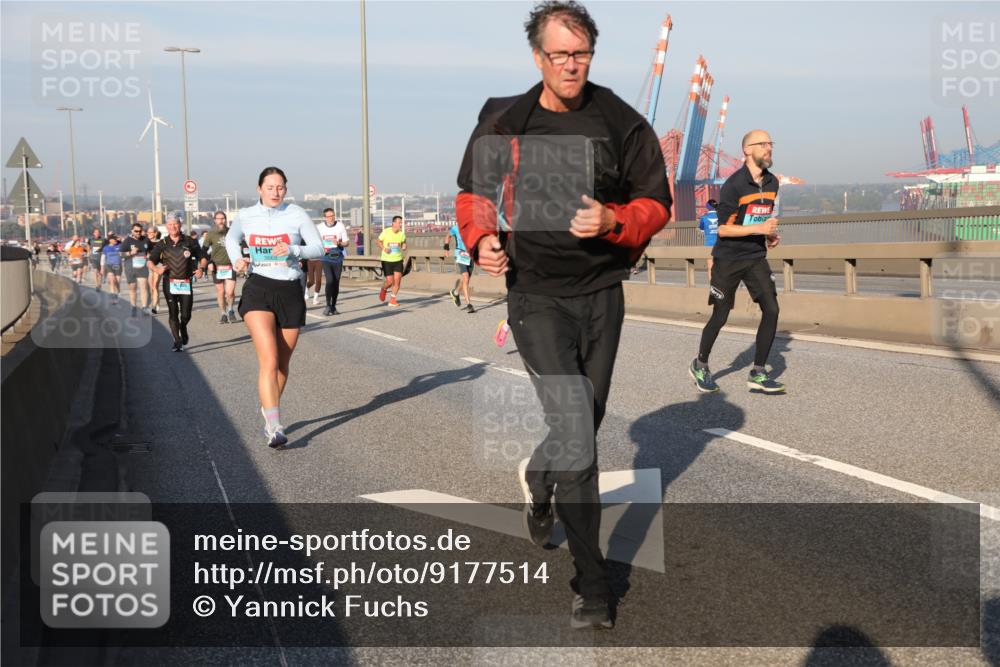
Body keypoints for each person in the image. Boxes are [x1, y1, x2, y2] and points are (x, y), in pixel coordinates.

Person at [455, 0, 671, 629]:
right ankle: (593, 582)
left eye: (581, 54)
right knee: (577, 430)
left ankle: (540, 474)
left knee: (588, 417)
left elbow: (656, 202)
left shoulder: (620, 122)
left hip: (602, 291)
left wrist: (616, 221)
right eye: (559, 55)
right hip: (535, 296)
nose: (571, 65)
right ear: (537, 57)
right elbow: (475, 194)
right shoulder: (505, 120)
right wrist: (483, 239)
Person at [225, 166, 323, 448]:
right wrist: (237, 259)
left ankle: (269, 407)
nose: (275, 192)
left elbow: (318, 248)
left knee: (282, 364)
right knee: (268, 360)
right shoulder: (246, 215)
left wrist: (294, 250)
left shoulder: (297, 214)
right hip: (259, 287)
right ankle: (274, 425)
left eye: (280, 187)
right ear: (259, 189)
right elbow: (232, 238)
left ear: (286, 189)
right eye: (270, 187)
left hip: (290, 289)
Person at [690, 129, 784, 394]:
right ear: (747, 150)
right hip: (728, 259)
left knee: (772, 309)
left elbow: (761, 220)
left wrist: (770, 236)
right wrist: (760, 230)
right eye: (762, 144)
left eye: (770, 143)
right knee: (720, 315)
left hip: (755, 257)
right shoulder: (734, 185)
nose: (768, 148)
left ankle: (758, 372)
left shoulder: (773, 183)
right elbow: (723, 229)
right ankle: (700, 364)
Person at [148, 213, 207, 351]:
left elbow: (202, 257)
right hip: (170, 282)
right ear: (166, 227)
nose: (173, 227)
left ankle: (183, 326)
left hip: (186, 282)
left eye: (175, 224)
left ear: (180, 225)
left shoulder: (189, 241)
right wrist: (156, 269)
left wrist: (201, 269)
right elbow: (150, 261)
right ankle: (177, 341)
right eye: (170, 224)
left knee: (186, 314)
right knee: (173, 313)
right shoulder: (162, 244)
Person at [204, 211, 239, 324]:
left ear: (225, 219)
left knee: (230, 292)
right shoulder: (211, 234)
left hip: (230, 265)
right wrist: (209, 262)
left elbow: (240, 245)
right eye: (218, 219)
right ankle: (223, 313)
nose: (221, 221)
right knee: (220, 291)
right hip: (217, 266)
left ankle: (231, 310)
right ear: (215, 220)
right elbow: (203, 251)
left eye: (223, 218)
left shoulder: (231, 232)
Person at [316, 207, 349, 316]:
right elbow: (315, 242)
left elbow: (346, 242)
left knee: (336, 282)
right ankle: (327, 305)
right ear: (325, 217)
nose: (331, 218)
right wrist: (322, 248)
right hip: (326, 257)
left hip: (338, 257)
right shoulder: (319, 227)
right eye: (329, 216)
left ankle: (333, 306)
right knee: (329, 281)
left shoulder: (340, 226)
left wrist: (339, 243)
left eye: (333, 215)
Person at [444, 221, 476, 313]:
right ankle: (469, 304)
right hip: (460, 253)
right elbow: (448, 236)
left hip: (470, 255)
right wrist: (446, 249)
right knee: (465, 277)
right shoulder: (456, 227)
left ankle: (455, 292)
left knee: (466, 279)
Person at [121, 223, 152, 316]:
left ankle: (144, 307)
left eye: (140, 231)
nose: (138, 233)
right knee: (132, 288)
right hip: (130, 268)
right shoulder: (127, 241)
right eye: (136, 231)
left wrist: (149, 256)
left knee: (144, 286)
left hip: (142, 267)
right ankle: (133, 307)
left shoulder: (146, 240)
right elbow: (121, 254)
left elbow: (151, 251)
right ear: (132, 231)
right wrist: (130, 252)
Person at [376, 215, 406, 308]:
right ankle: (384, 289)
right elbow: (378, 241)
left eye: (401, 223)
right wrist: (384, 248)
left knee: (397, 281)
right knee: (389, 282)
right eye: (399, 222)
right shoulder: (386, 232)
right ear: (393, 223)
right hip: (387, 260)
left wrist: (404, 246)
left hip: (398, 259)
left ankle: (392, 300)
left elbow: (403, 243)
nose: (400, 224)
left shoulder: (402, 234)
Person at [698, 198, 719, 282]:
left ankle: (712, 285)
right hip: (721, 245)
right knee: (722, 266)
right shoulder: (721, 216)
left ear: (707, 207)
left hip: (709, 244)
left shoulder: (704, 218)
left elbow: (702, 229)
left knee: (710, 266)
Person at [101, 233, 124, 304]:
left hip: (118, 265)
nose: (116, 241)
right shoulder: (106, 248)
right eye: (114, 239)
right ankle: (112, 297)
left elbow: (124, 253)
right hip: (109, 265)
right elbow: (103, 258)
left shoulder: (119, 246)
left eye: (116, 239)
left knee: (117, 282)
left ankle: (118, 292)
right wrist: (102, 267)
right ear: (110, 240)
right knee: (112, 281)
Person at [146, 227, 163, 314]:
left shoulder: (161, 242)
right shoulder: (146, 242)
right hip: (150, 265)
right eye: (147, 232)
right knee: (151, 287)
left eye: (150, 232)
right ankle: (157, 302)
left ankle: (154, 306)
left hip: (159, 265)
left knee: (155, 285)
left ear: (155, 233)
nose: (148, 234)